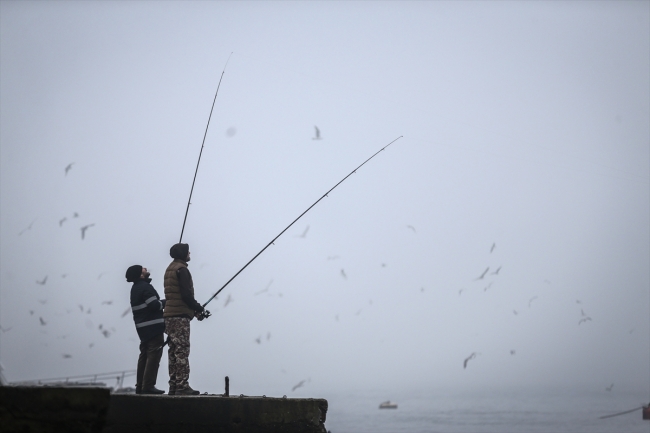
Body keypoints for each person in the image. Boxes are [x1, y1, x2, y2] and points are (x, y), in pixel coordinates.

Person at [163, 243, 209, 395]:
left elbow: (176, 296)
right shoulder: (182, 270)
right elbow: (186, 295)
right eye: (187, 251)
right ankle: (182, 386)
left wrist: (194, 311)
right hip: (179, 317)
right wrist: (198, 308)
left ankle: (174, 385)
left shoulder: (170, 268)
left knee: (173, 350)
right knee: (181, 350)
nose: (190, 253)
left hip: (169, 315)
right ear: (183, 254)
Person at [125, 264, 166, 395]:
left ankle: (140, 386)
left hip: (142, 328)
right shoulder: (145, 287)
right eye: (143, 268)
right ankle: (148, 386)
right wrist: (167, 301)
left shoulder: (135, 288)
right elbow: (154, 305)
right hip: (153, 327)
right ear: (140, 274)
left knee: (144, 356)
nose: (146, 268)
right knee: (153, 357)